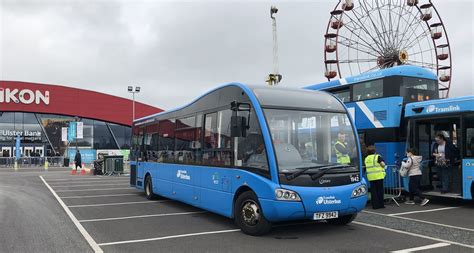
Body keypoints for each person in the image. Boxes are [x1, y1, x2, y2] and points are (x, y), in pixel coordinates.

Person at [365, 145, 386, 209]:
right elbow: (383, 164)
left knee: (373, 192)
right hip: (379, 176)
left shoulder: (366, 158)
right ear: (374, 151)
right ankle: (381, 205)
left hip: (371, 177)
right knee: (380, 191)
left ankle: (375, 206)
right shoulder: (377, 157)